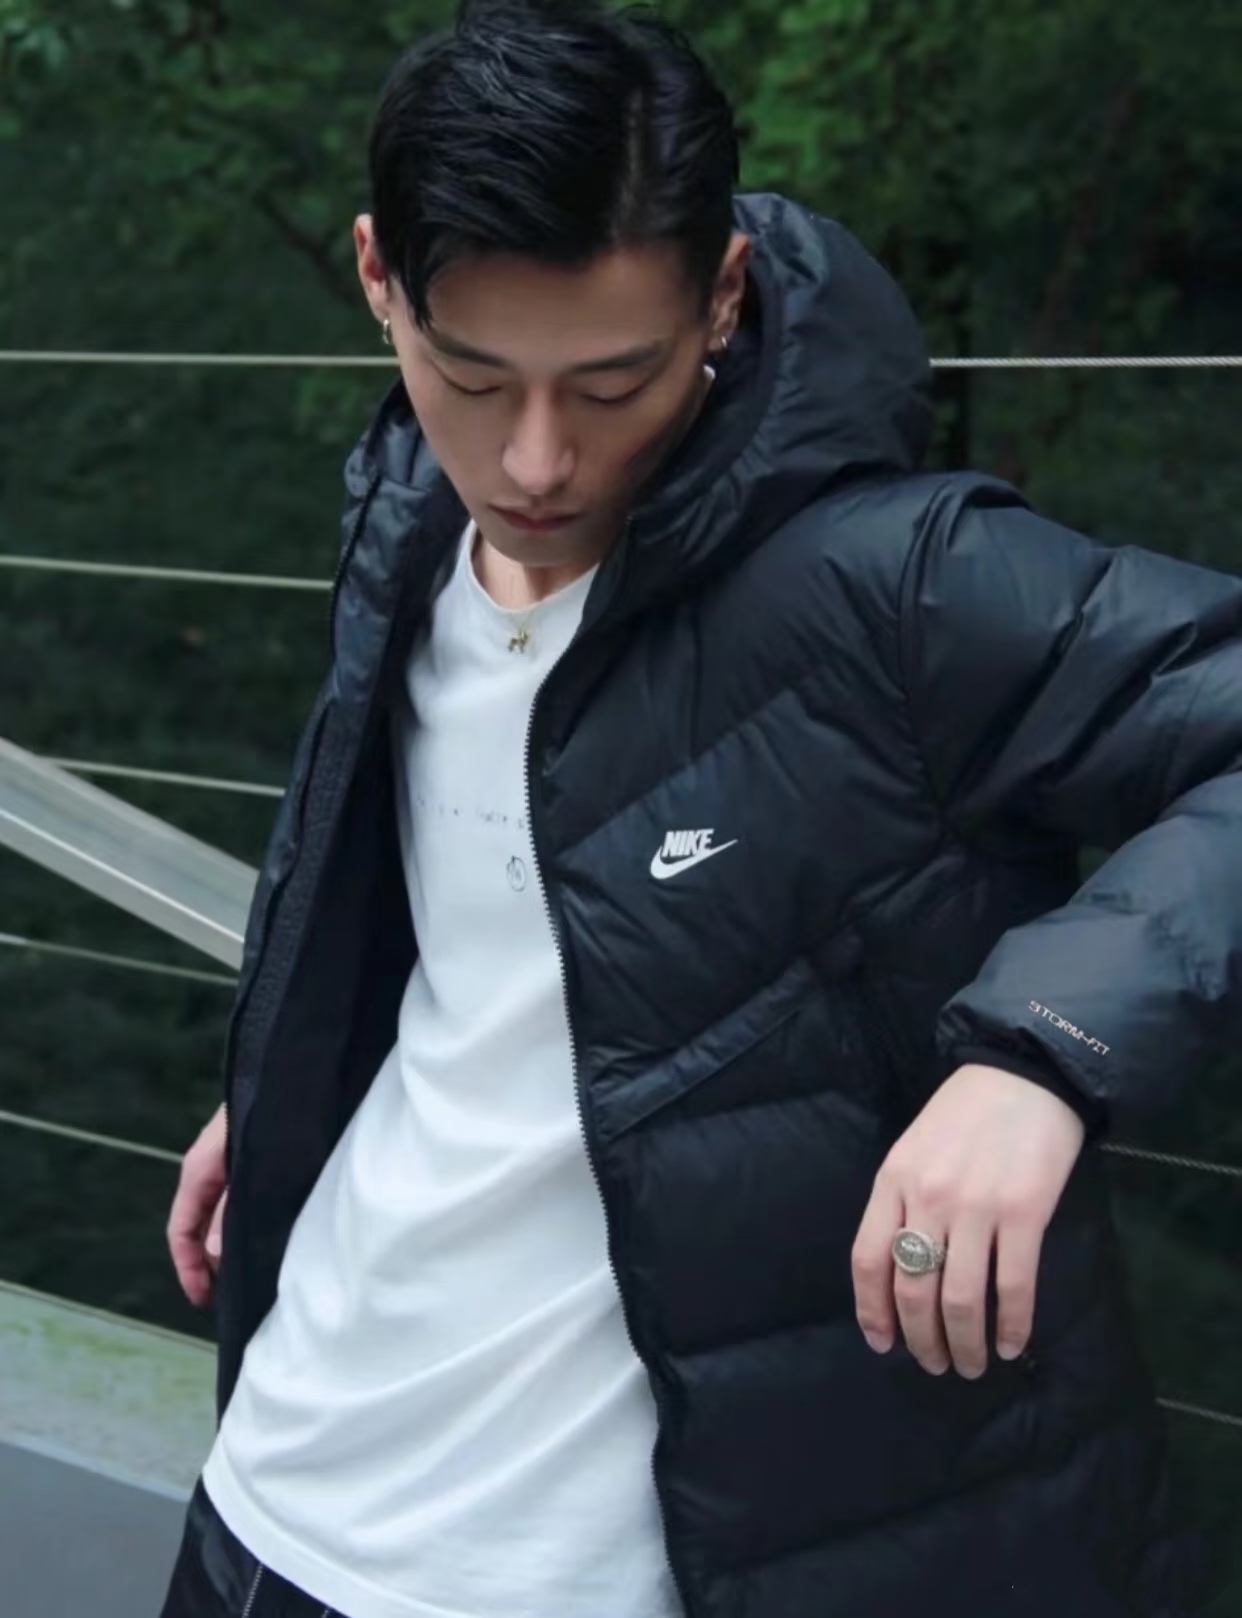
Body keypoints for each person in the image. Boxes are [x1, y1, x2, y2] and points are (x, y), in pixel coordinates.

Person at [158, 1, 1242, 1614]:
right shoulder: (403, 519)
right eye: (471, 376)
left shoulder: (890, 580)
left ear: (721, 292)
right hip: (277, 1479)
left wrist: (1041, 1056)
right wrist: (300, 1076)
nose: (534, 459)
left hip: (591, 1567)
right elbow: (496, 935)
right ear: (379, 276)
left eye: (612, 383)